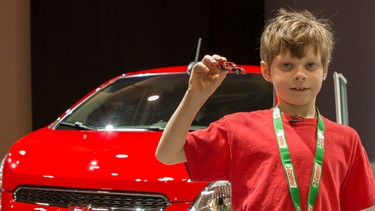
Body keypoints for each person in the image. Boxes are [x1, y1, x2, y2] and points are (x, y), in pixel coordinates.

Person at [155, 8, 375, 210]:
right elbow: (167, 154)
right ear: (267, 71)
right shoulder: (238, 128)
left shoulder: (347, 140)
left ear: (325, 70)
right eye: (287, 65)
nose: (300, 74)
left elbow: (361, 206)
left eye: (310, 65)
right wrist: (194, 96)